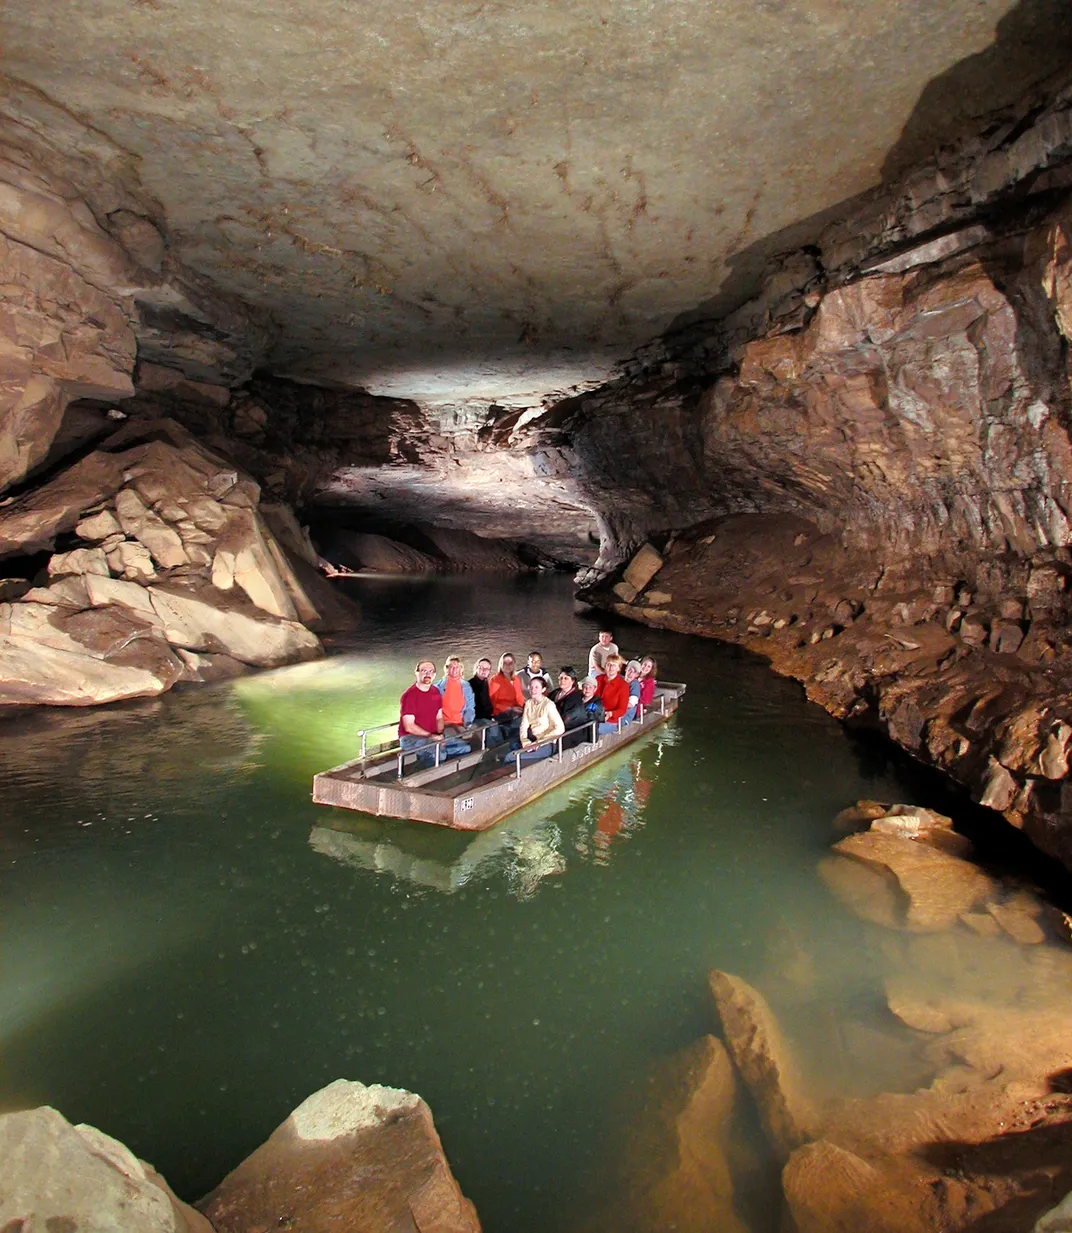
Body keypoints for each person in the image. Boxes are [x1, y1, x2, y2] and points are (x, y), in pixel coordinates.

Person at [399, 659, 470, 765]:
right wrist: (431, 737)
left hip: (433, 734)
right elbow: (409, 726)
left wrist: (440, 734)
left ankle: (449, 771)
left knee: (464, 748)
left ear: (434, 674)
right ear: (417, 673)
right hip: (410, 737)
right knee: (438, 754)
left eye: (431, 671)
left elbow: (439, 717)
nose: (428, 674)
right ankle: (421, 775)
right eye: (424, 671)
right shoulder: (409, 696)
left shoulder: (435, 692)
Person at [504, 675, 564, 764]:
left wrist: (539, 742)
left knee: (510, 757)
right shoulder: (529, 703)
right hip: (531, 739)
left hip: (546, 743)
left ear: (543, 689)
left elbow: (560, 728)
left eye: (536, 687)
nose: (533, 690)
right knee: (509, 748)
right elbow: (524, 725)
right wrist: (525, 741)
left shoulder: (548, 705)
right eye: (531, 687)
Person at [434, 655, 475, 735]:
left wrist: (467, 725)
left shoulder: (467, 686)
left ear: (461, 669)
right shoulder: (437, 687)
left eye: (457, 667)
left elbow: (470, 708)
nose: (454, 669)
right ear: (447, 669)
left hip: (462, 723)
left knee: (479, 736)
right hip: (446, 724)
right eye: (451, 667)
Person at [489, 652, 525, 736]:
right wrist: (510, 708)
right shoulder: (495, 680)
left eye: (510, 663)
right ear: (500, 665)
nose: (507, 665)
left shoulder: (516, 679)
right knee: (520, 723)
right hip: (501, 712)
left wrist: (522, 708)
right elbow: (492, 703)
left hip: (516, 711)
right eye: (505, 663)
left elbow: (519, 697)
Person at [552, 666, 588, 746]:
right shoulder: (555, 693)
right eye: (561, 678)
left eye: (566, 678)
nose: (562, 680)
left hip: (570, 730)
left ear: (572, 681)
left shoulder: (575, 699)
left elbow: (567, 719)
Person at [597, 655, 631, 735]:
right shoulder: (598, 679)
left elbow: (622, 710)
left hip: (610, 721)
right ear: (605, 666)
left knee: (592, 729)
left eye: (614, 665)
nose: (611, 667)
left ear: (618, 668)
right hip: (594, 715)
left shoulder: (623, 685)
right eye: (609, 664)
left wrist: (610, 713)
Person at [623, 659, 643, 724]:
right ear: (626, 669)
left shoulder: (635, 684)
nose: (630, 673)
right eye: (629, 670)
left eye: (634, 672)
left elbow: (631, 704)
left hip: (625, 716)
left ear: (637, 675)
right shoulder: (620, 680)